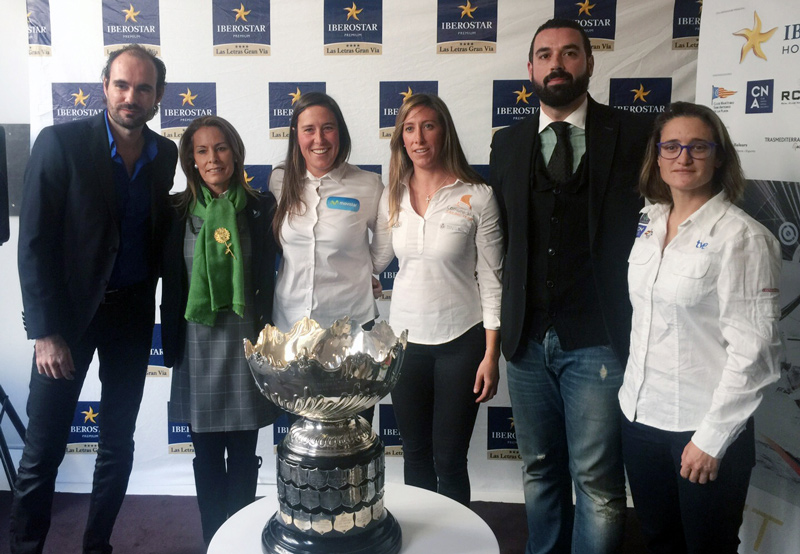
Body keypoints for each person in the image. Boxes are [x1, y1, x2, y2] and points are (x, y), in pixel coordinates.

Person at [488, 18, 653, 554]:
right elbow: (500, 238)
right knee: (538, 470)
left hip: (599, 338)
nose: (556, 64)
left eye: (569, 53)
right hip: (526, 341)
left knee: (598, 484)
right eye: (545, 55)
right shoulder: (507, 143)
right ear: (530, 68)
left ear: (589, 62)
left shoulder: (632, 134)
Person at [13, 44, 177, 554]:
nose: (131, 97)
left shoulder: (166, 154)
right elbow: (33, 242)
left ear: (158, 96)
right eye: (122, 85)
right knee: (43, 448)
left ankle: (97, 546)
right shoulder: (60, 143)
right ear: (105, 85)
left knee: (117, 443)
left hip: (131, 317)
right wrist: (45, 332)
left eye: (143, 88)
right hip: (66, 322)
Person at [619, 102, 782, 553]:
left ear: (719, 156)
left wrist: (711, 439)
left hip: (702, 429)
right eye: (671, 146)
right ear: (657, 156)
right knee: (658, 541)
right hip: (639, 417)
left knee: (708, 548)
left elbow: (756, 354)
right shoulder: (649, 221)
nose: (684, 157)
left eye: (698, 147)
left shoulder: (743, 238)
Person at [375, 93, 503, 506]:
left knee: (449, 461)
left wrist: (491, 355)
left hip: (461, 344)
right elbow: (375, 260)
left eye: (428, 126)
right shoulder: (392, 195)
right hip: (404, 345)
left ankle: (456, 538)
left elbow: (493, 279)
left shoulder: (478, 195)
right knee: (414, 456)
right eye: (409, 129)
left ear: (444, 131)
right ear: (400, 138)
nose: (419, 138)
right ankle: (425, 537)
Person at [159, 115, 282, 545]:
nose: (213, 158)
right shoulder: (174, 212)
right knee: (207, 456)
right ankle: (214, 540)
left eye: (221, 147)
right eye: (202, 150)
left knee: (244, 456)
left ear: (236, 153)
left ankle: (241, 540)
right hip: (196, 345)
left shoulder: (261, 207)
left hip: (246, 342)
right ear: (191, 160)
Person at [269, 91, 389, 423]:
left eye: (328, 128)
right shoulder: (280, 180)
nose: (319, 139)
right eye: (309, 129)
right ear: (296, 135)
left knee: (353, 432)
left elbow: (385, 242)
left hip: (352, 332)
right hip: (292, 330)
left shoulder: (368, 185)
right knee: (302, 435)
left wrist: (368, 272)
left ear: (341, 133)